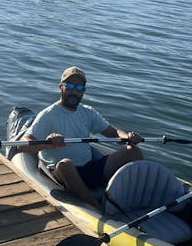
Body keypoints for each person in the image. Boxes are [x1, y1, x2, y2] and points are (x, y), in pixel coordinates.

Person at [21, 66, 143, 208]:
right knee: (66, 164)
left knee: (134, 151)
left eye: (79, 87)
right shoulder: (48, 114)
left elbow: (113, 133)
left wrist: (127, 136)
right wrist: (49, 144)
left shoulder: (88, 112)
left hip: (89, 167)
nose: (74, 91)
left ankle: (131, 198)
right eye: (70, 85)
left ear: (83, 92)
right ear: (61, 87)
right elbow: (23, 144)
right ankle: (96, 208)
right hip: (63, 171)